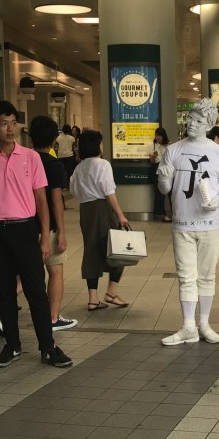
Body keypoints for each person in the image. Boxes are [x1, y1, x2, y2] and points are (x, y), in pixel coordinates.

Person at [0, 100, 72, 369]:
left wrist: (45, 237)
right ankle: (12, 345)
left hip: (26, 229)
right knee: (5, 293)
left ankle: (48, 347)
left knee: (37, 291)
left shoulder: (31, 157)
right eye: (4, 123)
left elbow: (41, 200)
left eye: (13, 123)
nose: (11, 128)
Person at [157, 98, 219, 346]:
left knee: (207, 275)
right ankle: (188, 326)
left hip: (210, 224)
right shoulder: (173, 150)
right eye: (190, 119)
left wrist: (218, 200)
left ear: (209, 125)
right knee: (185, 275)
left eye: (198, 121)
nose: (191, 123)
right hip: (182, 223)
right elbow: (164, 189)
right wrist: (163, 178)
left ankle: (204, 323)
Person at [70, 129, 130, 311]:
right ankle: (111, 292)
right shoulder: (102, 164)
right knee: (118, 248)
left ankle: (93, 299)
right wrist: (120, 214)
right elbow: (108, 191)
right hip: (102, 209)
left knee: (92, 250)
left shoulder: (79, 167)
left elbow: (73, 191)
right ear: (97, 145)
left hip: (86, 211)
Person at [31, 116, 77, 331]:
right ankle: (52, 317)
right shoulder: (53, 165)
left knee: (27, 272)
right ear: (54, 139)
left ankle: (1, 306)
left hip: (24, 225)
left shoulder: (24, 160)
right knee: (56, 271)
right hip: (46, 226)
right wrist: (61, 231)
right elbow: (57, 201)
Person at [151, 127, 172, 222]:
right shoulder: (152, 145)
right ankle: (162, 214)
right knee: (159, 193)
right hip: (157, 169)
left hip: (168, 169)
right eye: (157, 135)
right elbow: (151, 161)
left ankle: (175, 213)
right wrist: (153, 157)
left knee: (172, 192)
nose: (158, 137)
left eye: (160, 135)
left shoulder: (169, 145)